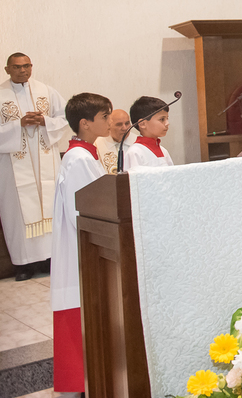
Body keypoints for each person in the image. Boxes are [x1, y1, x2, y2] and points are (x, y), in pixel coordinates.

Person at [52, 93, 111, 393]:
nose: (110, 121)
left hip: (86, 248)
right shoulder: (78, 159)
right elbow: (84, 211)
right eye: (104, 117)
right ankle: (82, 382)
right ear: (85, 124)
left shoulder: (86, 154)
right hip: (82, 252)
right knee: (81, 316)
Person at [0, 53, 69, 281]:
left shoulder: (46, 91)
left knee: (51, 206)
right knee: (17, 213)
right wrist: (17, 125)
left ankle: (52, 259)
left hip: (46, 160)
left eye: (27, 66)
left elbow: (65, 117)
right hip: (12, 167)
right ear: (7, 69)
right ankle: (23, 265)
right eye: (17, 67)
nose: (23, 70)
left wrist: (45, 122)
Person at [123, 96, 175, 169]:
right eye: (162, 119)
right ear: (142, 124)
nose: (167, 123)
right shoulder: (135, 153)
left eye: (167, 118)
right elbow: (133, 179)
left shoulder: (163, 151)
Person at [95, 108, 134, 175]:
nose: (124, 128)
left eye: (127, 123)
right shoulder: (97, 145)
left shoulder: (137, 142)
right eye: (119, 124)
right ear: (109, 125)